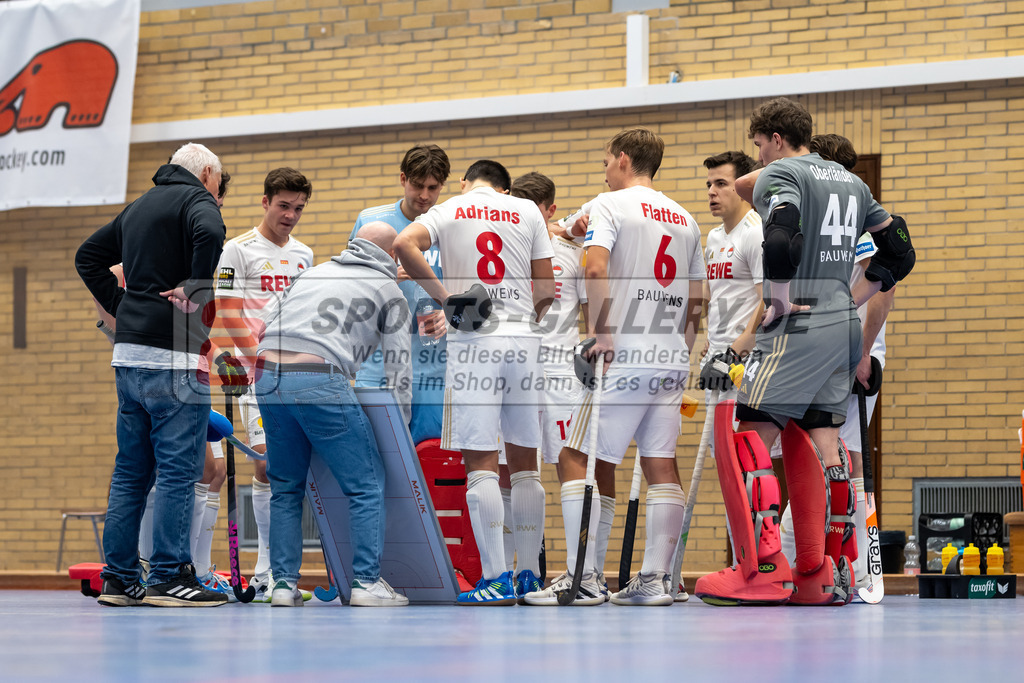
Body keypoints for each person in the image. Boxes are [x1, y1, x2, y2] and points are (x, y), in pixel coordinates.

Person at [695, 97, 913, 606]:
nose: (758, 158)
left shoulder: (782, 174)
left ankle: (762, 570)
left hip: (797, 325)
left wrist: (776, 300)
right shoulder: (853, 184)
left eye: (759, 145)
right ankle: (822, 571)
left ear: (776, 139)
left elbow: (779, 239)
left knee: (750, 437)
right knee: (826, 446)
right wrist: (852, 298)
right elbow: (900, 251)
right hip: (842, 328)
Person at [525, 128, 704, 606]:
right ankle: (655, 580)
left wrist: (602, 333)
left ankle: (582, 578)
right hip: (670, 356)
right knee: (660, 463)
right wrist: (682, 351)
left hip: (623, 352)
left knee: (576, 456)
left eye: (606, 162)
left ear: (623, 159)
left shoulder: (611, 204)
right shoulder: (686, 219)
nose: (604, 171)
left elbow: (595, 267)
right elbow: (698, 296)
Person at [394, 159, 555, 605]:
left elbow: (404, 243)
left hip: (475, 340)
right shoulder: (527, 210)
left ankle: (495, 578)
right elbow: (546, 290)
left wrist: (449, 300)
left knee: (481, 461)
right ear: (505, 189)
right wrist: (521, 320)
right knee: (525, 463)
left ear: (466, 183)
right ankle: (529, 576)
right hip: (524, 341)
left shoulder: (451, 208)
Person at [75, 142, 228, 607]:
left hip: (129, 359)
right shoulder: (197, 199)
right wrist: (196, 287)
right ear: (206, 173)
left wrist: (123, 306)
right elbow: (211, 231)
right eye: (217, 184)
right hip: (174, 359)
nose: (217, 194)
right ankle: (167, 577)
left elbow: (87, 256)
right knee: (179, 473)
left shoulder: (138, 206)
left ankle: (120, 579)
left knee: (130, 473)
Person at [254, 221, 413, 607]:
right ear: (393, 255)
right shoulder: (389, 290)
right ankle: (366, 583)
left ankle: (282, 586)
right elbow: (399, 368)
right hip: (318, 377)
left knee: (285, 487)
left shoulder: (312, 273)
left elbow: (263, 326)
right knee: (366, 484)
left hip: (266, 376)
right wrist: (401, 426)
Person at [775, 133, 896, 595]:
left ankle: (851, 565)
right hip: (828, 348)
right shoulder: (829, 221)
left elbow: (883, 291)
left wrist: (862, 352)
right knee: (825, 456)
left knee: (838, 457)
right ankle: (823, 561)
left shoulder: (857, 225)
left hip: (851, 353)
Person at [205, 167, 315, 601]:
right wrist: (262, 362)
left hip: (298, 372)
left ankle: (279, 571)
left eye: (298, 208)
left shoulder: (305, 254)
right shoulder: (238, 250)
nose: (290, 215)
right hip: (259, 376)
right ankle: (265, 571)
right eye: (283, 206)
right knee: (268, 464)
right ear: (265, 202)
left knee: (289, 468)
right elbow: (228, 314)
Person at [507, 171, 589, 596]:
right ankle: (512, 571)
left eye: (534, 211)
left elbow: (593, 314)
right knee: (509, 468)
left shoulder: (574, 252)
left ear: (551, 210)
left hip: (559, 370)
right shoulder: (508, 245)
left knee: (569, 464)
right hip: (516, 367)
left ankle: (581, 572)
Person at [351, 144, 451, 445]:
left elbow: (475, 291)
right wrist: (383, 276)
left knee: (429, 457)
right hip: (379, 365)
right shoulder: (371, 222)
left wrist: (451, 313)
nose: (424, 195)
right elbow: (349, 285)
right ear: (403, 179)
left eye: (433, 188)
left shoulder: (452, 227)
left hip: (433, 368)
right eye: (417, 185)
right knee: (379, 454)